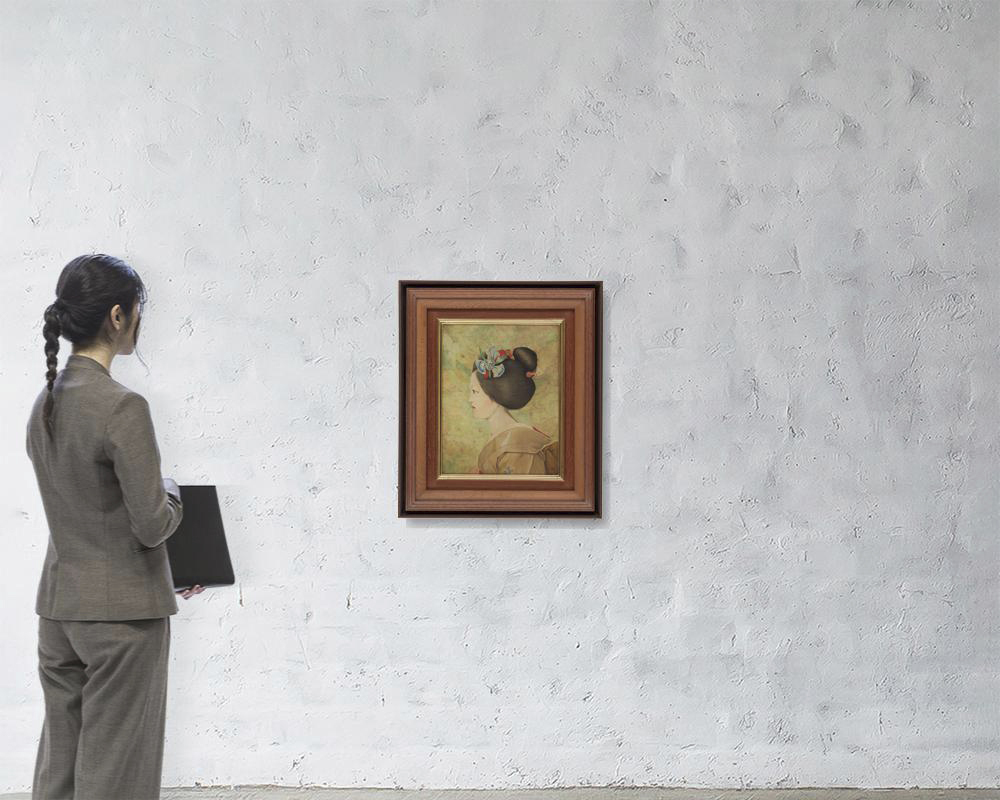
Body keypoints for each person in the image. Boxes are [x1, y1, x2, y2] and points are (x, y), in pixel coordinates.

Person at [25, 253, 204, 800]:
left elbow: (87, 512)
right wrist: (174, 495)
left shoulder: (44, 404)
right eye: (138, 309)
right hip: (123, 622)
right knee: (116, 774)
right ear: (118, 316)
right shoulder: (122, 406)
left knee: (60, 769)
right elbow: (151, 524)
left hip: (60, 611)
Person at [468, 345, 559, 475]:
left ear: (496, 393)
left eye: (475, 391)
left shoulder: (518, 446)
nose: (470, 399)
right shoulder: (502, 436)